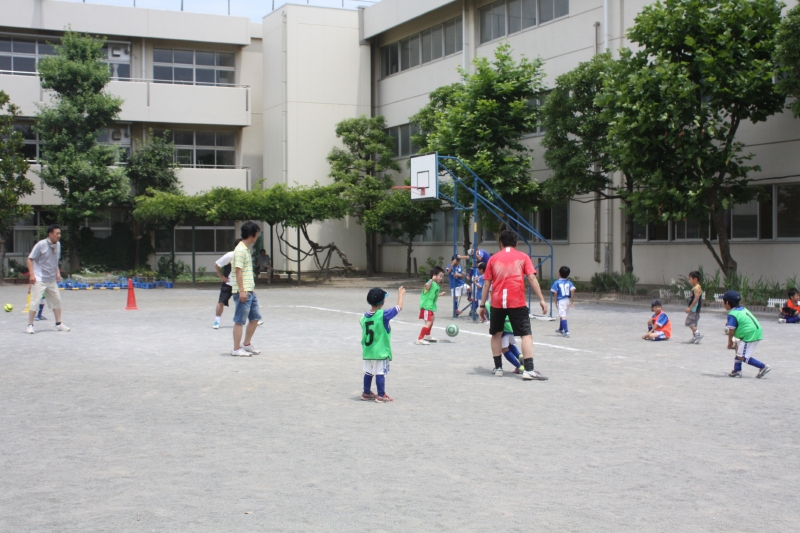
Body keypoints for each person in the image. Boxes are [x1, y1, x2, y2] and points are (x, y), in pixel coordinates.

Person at [478, 230, 549, 381]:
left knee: (496, 334)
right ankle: (528, 370)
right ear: (516, 243)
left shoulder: (493, 259)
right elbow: (532, 278)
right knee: (526, 335)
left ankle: (498, 368)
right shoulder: (523, 257)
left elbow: (486, 284)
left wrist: (482, 305)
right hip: (516, 301)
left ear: (501, 244)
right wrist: (542, 299)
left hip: (497, 302)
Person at [361, 286, 405, 403]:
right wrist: (400, 295)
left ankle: (366, 392)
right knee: (380, 373)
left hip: (368, 350)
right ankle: (381, 395)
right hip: (380, 351)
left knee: (369, 372)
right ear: (382, 302)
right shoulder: (383, 315)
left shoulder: (363, 317)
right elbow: (399, 307)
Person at [26, 224, 69, 334]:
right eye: (57, 233)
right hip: (39, 278)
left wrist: (57, 273)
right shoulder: (41, 244)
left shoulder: (58, 245)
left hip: (51, 279)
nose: (59, 235)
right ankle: (30, 325)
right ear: (50, 234)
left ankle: (58, 323)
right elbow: (30, 259)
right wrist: (32, 274)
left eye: (60, 233)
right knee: (35, 301)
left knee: (57, 300)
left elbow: (55, 261)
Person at [230, 221, 261, 357]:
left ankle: (246, 344)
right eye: (257, 234)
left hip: (250, 291)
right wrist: (242, 290)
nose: (257, 237)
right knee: (239, 321)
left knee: (255, 318)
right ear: (251, 235)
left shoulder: (246, 249)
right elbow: (238, 271)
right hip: (243, 292)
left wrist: (250, 288)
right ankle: (236, 349)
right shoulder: (240, 250)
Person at [723, 290, 770, 378]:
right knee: (738, 350)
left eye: (723, 301)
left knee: (742, 356)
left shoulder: (732, 314)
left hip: (749, 334)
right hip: (753, 331)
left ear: (727, 303)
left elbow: (731, 331)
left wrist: (730, 342)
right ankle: (737, 370)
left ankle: (763, 366)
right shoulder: (742, 309)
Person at [486, 296, 525, 376]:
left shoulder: (488, 304)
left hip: (502, 328)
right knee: (510, 345)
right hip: (510, 326)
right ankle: (520, 355)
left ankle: (520, 367)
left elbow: (490, 318)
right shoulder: (505, 300)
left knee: (504, 349)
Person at [212, 238, 241, 329]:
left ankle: (254, 318)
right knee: (221, 302)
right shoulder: (230, 255)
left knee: (248, 301)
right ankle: (217, 321)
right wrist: (221, 277)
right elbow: (217, 264)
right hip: (228, 284)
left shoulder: (244, 256)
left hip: (240, 284)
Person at [417, 266, 444, 345]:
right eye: (440, 276)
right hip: (426, 306)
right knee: (428, 322)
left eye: (442, 276)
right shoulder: (430, 282)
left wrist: (440, 295)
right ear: (434, 275)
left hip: (430, 307)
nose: (441, 278)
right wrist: (432, 280)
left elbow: (432, 295)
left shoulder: (436, 285)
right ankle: (420, 339)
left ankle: (427, 335)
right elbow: (427, 287)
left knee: (432, 318)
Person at [551, 265, 576, 338]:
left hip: (561, 300)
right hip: (567, 300)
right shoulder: (569, 282)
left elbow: (555, 293)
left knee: (563, 316)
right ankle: (560, 329)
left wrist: (555, 302)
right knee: (562, 314)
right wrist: (572, 301)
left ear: (559, 273)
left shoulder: (557, 282)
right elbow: (572, 290)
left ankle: (566, 332)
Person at [685, 271, 704, 343]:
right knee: (693, 323)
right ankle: (695, 337)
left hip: (694, 309)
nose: (689, 280)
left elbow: (696, 299)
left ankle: (697, 334)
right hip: (694, 309)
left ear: (695, 279)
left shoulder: (697, 288)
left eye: (690, 279)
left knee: (689, 322)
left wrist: (690, 308)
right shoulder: (696, 288)